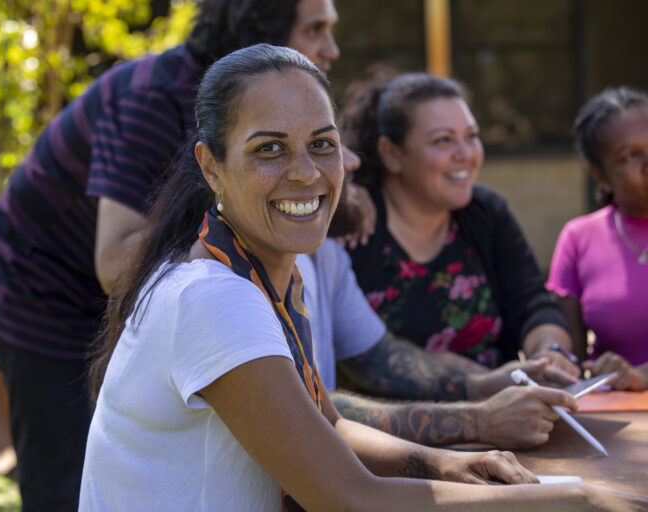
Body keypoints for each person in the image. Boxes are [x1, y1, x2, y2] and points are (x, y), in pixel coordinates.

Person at [81, 44, 646, 512]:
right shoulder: (211, 296)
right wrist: (581, 499)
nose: (305, 173)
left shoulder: (271, 272)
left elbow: (326, 425)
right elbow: (348, 498)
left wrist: (447, 461)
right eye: (269, 149)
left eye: (321, 144)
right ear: (211, 166)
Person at [0, 1, 341, 509]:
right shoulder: (153, 98)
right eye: (316, 28)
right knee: (62, 479)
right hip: (39, 294)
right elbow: (114, 261)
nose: (331, 49)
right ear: (262, 24)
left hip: (127, 299)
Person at [340, 70, 580, 375]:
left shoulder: (485, 213)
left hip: (503, 411)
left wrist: (549, 352)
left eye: (472, 136)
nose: (466, 154)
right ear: (391, 154)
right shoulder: (356, 224)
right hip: (390, 420)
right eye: (443, 140)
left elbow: (532, 304)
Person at [297, 237, 580, 449]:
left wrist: (485, 383)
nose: (353, 162)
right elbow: (306, 406)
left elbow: (377, 357)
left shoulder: (325, 254)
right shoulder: (258, 279)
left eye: (327, 152)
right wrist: (479, 421)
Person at [547, 86, 648, 391]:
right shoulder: (579, 238)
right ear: (599, 174)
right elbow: (571, 362)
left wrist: (643, 376)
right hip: (619, 418)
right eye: (631, 156)